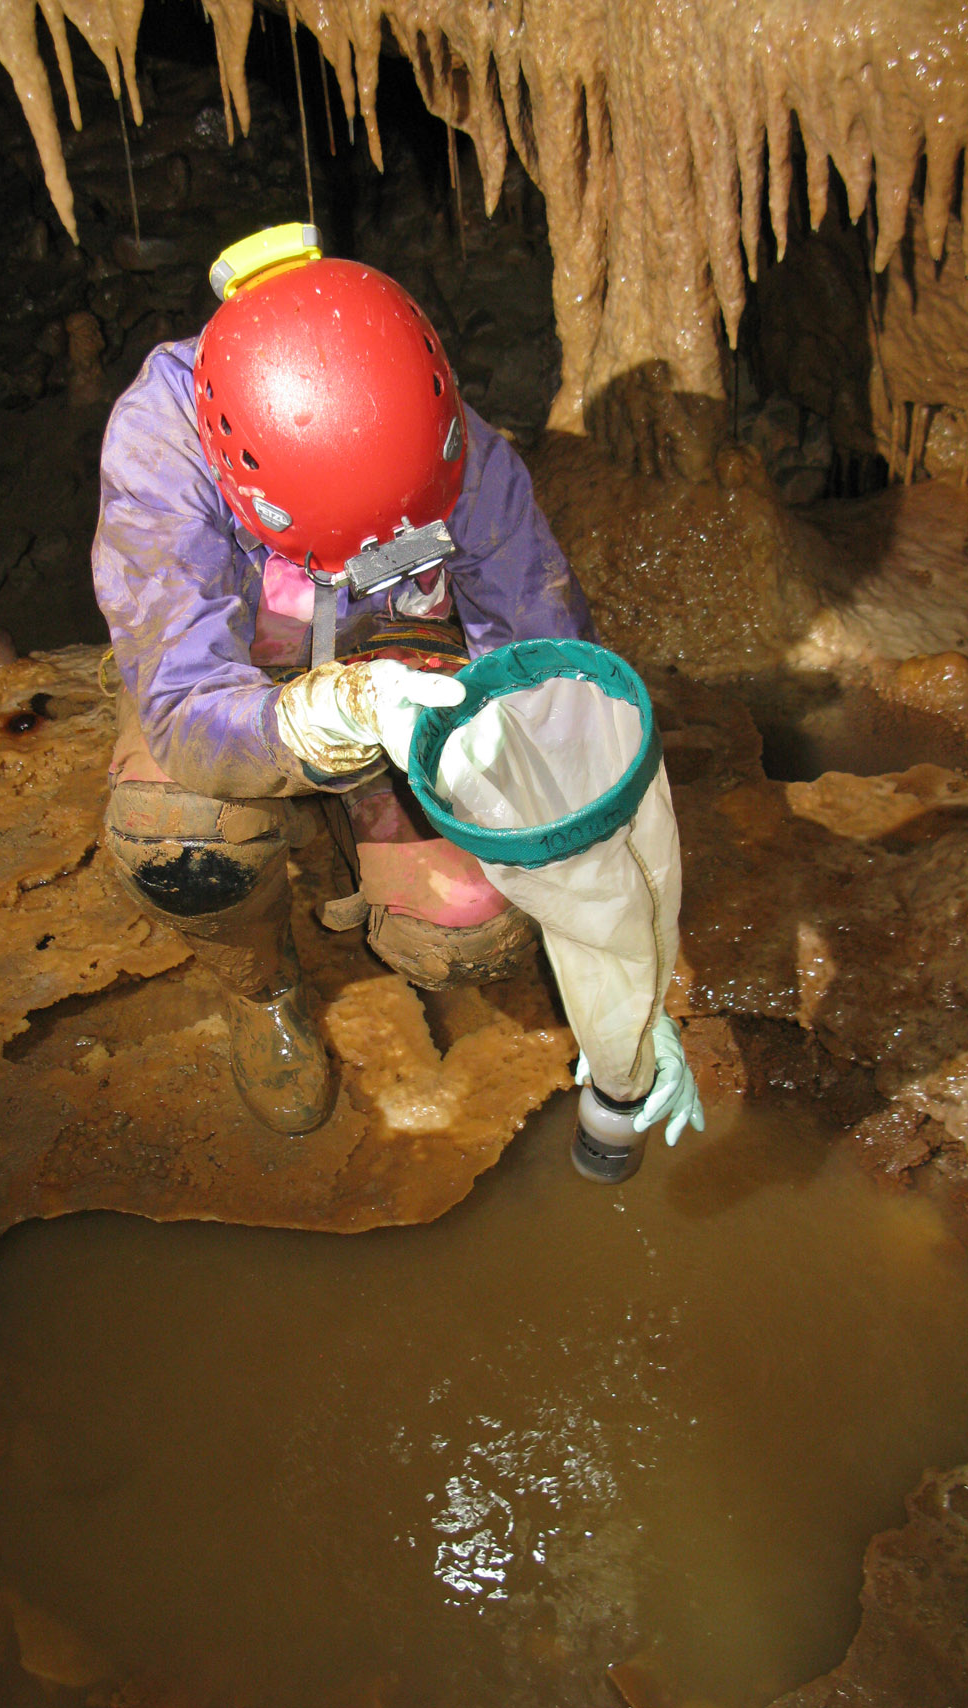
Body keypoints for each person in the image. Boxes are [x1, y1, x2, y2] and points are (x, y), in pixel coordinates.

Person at [92, 224, 595, 1134]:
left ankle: (377, 836)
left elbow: (545, 652)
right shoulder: (161, 445)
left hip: (392, 650)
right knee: (183, 841)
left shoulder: (451, 442)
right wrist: (310, 728)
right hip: (241, 665)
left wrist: (524, 762)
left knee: (474, 925)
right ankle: (262, 986)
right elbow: (182, 695)